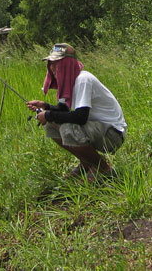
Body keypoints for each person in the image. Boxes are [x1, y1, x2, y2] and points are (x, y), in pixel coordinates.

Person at [26, 43, 126, 181]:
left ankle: (102, 167)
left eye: (57, 63)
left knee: (67, 128)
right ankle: (87, 163)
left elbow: (80, 117)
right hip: (98, 129)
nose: (53, 68)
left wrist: (48, 114)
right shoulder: (68, 82)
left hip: (112, 135)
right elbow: (63, 109)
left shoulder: (83, 80)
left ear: (67, 64)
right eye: (51, 63)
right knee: (50, 124)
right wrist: (45, 106)